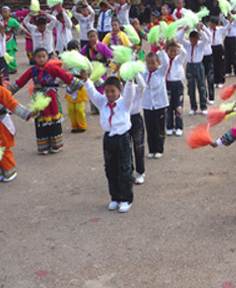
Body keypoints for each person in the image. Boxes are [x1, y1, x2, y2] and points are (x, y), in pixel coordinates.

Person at [10, 47, 83, 154]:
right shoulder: (32, 70)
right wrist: (8, 92)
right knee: (40, 119)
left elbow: (64, 75)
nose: (41, 59)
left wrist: (77, 83)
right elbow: (21, 81)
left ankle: (55, 144)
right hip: (38, 98)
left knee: (53, 119)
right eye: (38, 57)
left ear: (47, 57)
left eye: (43, 56)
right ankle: (43, 146)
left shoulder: (52, 69)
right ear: (34, 58)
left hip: (51, 98)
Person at [85, 76, 136, 213]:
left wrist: (130, 81)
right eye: (107, 91)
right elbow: (93, 93)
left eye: (112, 91)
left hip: (122, 138)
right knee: (110, 169)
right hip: (108, 139)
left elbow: (130, 92)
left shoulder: (125, 103)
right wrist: (86, 81)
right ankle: (115, 197)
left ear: (119, 90)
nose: (109, 94)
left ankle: (126, 199)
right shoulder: (102, 102)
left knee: (125, 168)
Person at [177, 25, 212, 116]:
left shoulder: (201, 45)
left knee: (202, 86)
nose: (193, 41)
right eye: (191, 39)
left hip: (199, 65)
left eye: (195, 39)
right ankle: (193, 107)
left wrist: (201, 29)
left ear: (198, 39)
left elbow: (206, 38)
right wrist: (184, 30)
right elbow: (179, 38)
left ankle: (203, 106)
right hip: (190, 66)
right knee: (191, 87)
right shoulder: (187, 44)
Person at [142, 52, 168, 159]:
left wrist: (161, 50)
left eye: (153, 63)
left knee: (159, 128)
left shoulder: (161, 72)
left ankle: (159, 148)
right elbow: (135, 67)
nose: (151, 65)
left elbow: (166, 63)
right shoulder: (144, 73)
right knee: (150, 128)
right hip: (147, 105)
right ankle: (151, 149)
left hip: (159, 105)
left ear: (158, 63)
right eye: (148, 63)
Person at [159, 40, 186, 137]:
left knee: (178, 106)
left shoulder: (179, 60)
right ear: (167, 51)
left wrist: (177, 44)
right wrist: (164, 47)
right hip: (167, 84)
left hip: (178, 85)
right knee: (168, 107)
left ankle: (179, 127)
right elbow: (158, 54)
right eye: (171, 51)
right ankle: (170, 127)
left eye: (175, 51)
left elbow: (184, 52)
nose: (173, 53)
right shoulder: (165, 59)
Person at [64, 40, 89, 133]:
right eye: (70, 50)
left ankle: (82, 125)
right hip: (70, 86)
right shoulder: (66, 61)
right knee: (70, 109)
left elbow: (90, 68)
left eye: (74, 49)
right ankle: (74, 126)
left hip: (80, 84)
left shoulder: (83, 59)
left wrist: (85, 73)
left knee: (79, 108)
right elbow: (61, 71)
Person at [1, 7, 23, 73]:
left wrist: (29, 33)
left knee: (11, 52)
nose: (5, 13)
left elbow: (20, 27)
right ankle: (6, 67)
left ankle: (12, 68)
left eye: (6, 12)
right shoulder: (0, 20)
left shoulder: (12, 20)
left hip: (10, 38)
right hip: (2, 38)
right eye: (3, 12)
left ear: (9, 12)